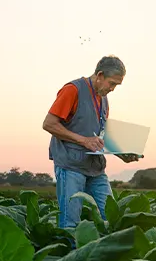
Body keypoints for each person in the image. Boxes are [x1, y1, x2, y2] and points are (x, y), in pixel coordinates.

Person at [42, 55, 139, 229]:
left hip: (95, 167)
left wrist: (121, 152)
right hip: (71, 165)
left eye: (117, 85)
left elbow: (98, 135)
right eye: (112, 83)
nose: (113, 89)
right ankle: (68, 255)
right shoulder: (73, 90)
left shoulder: (103, 98)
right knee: (71, 223)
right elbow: (49, 124)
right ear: (100, 75)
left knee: (111, 216)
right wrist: (83, 140)